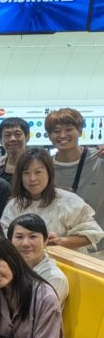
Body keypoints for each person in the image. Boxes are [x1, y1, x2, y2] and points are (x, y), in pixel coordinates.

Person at [0, 148, 103, 255]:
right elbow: (5, 237)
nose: (32, 178)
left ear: (49, 172)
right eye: (26, 173)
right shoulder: (14, 205)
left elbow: (93, 234)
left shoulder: (68, 201)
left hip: (66, 261)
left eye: (38, 172)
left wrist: (61, 241)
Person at [47, 108, 104, 254]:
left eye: (69, 129)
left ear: (80, 131)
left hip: (100, 248)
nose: (62, 135)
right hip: (60, 249)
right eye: (56, 131)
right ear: (49, 136)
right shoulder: (45, 168)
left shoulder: (99, 160)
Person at [8, 213, 69, 306]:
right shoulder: (6, 266)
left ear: (45, 241)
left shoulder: (54, 278)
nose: (25, 243)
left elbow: (35, 313)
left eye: (33, 237)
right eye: (19, 237)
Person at [0, 117, 29, 184]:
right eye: (7, 135)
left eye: (17, 134)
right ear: (0, 141)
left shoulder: (36, 164)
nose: (12, 139)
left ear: (27, 138)